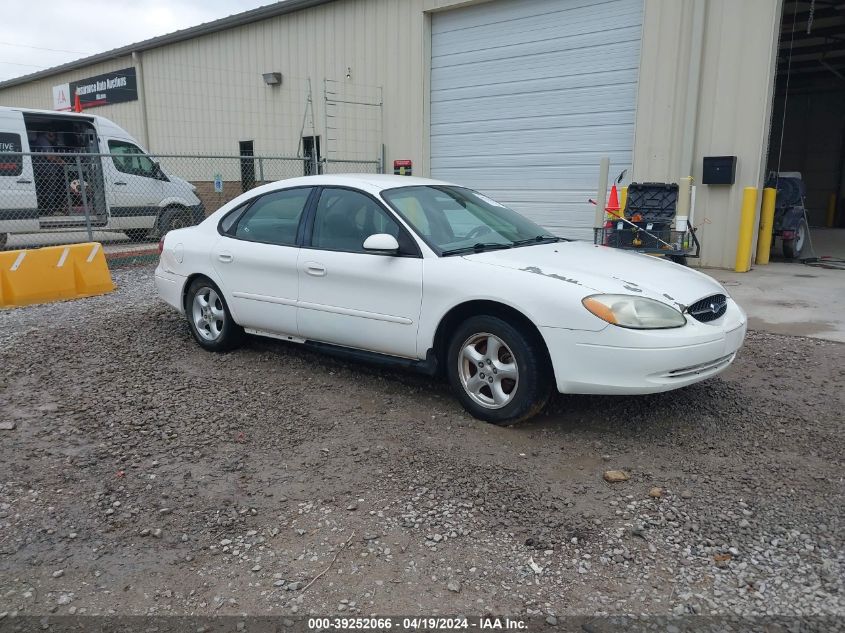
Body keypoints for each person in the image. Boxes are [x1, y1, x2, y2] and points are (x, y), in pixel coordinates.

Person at [31, 129, 67, 215]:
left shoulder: (42, 140)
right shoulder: (43, 140)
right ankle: (50, 210)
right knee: (50, 192)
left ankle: (48, 209)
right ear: (50, 133)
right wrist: (62, 163)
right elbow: (50, 156)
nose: (55, 139)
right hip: (46, 172)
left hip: (45, 171)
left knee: (46, 191)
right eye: (55, 136)